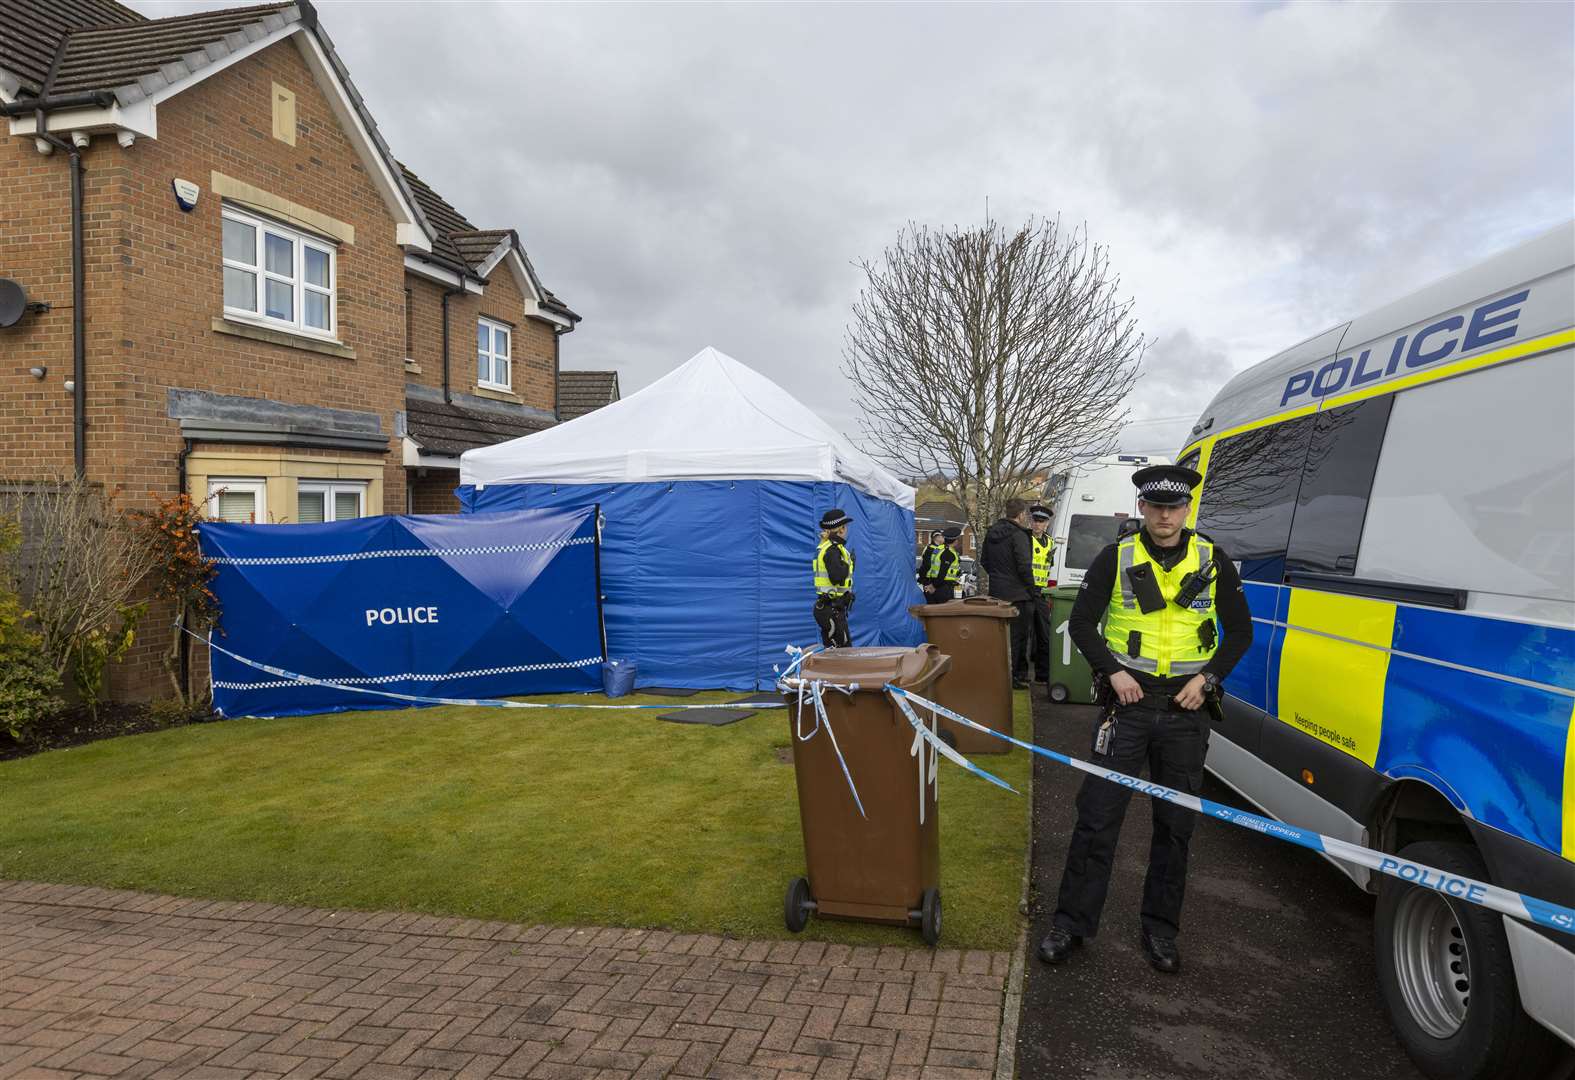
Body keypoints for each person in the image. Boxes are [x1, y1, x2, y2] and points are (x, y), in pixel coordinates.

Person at [1039, 464, 1252, 975]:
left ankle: (1160, 931)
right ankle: (1070, 924)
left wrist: (1208, 680)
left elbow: (1240, 633)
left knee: (1175, 827)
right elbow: (1082, 624)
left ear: (1186, 510)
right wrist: (1111, 672)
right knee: (1096, 819)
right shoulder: (1116, 557)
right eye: (1155, 506)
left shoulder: (1213, 560)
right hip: (1127, 705)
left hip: (1185, 709)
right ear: (1142, 509)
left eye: (1173, 507)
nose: (1164, 514)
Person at [979, 498, 1040, 688]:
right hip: (1018, 595)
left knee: (1001, 638)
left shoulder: (992, 533)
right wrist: (1032, 590)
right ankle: (1012, 679)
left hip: (997, 592)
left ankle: (1006, 675)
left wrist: (999, 578)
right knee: (1017, 638)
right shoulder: (1019, 535)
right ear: (1021, 514)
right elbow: (1024, 566)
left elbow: (984, 561)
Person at [813, 509, 854, 648]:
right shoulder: (832, 550)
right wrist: (848, 564)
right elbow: (837, 577)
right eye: (845, 526)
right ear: (841, 529)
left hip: (830, 608)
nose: (847, 530)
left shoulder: (829, 547)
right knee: (841, 653)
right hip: (832, 609)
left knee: (836, 650)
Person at [1028, 504, 1055, 685]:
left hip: (1041, 593)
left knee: (1044, 635)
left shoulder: (1050, 542)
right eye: (1035, 521)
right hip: (1026, 591)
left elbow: (1048, 566)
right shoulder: (1026, 540)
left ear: (1047, 523)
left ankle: (1042, 675)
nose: (1038, 525)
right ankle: (1020, 674)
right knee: (1022, 635)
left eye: (1041, 521)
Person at [928, 527, 963, 604]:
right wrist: (934, 586)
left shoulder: (939, 549)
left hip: (935, 582)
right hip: (943, 587)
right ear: (955, 541)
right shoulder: (949, 553)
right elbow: (942, 571)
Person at [918, 529, 947, 601]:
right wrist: (924, 580)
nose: (944, 538)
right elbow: (926, 565)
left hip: (937, 580)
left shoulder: (940, 548)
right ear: (936, 538)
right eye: (942, 536)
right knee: (931, 602)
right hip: (929, 580)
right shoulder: (930, 549)